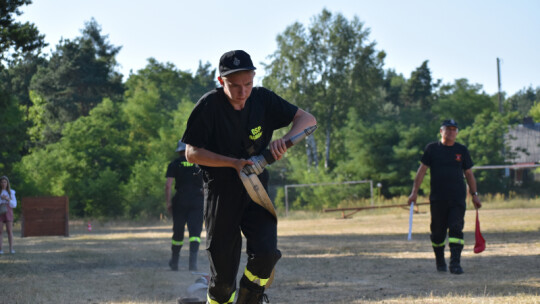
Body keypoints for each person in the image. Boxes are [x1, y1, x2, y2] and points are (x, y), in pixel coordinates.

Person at [182, 50, 316, 304]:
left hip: (256, 189)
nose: (243, 92)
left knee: (266, 255)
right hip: (221, 193)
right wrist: (232, 163)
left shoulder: (263, 99)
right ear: (221, 82)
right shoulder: (209, 106)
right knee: (222, 281)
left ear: (254, 78)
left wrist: (284, 142)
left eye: (248, 84)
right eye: (234, 86)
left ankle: (251, 299)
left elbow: (307, 120)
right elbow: (192, 153)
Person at [407, 119, 482, 274]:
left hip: (457, 198)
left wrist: (474, 195)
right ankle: (440, 260)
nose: (451, 132)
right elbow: (421, 171)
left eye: (454, 129)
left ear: (457, 133)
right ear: (441, 131)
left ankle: (455, 263)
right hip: (438, 198)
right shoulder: (432, 149)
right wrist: (414, 192)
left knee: (456, 229)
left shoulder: (462, 150)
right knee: (437, 232)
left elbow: (469, 174)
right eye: (448, 129)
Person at [165, 140, 204, 271]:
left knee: (178, 231)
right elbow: (208, 184)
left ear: (179, 151)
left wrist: (169, 202)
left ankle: (174, 262)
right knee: (195, 233)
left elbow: (168, 185)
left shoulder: (174, 164)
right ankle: (193, 264)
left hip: (180, 200)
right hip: (197, 200)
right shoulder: (200, 164)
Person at [0, 176, 17, 254]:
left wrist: (7, 199)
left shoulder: (11, 192)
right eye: (2, 182)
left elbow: (14, 204)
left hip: (8, 211)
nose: (3, 183)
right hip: (0, 211)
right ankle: (1, 249)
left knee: (9, 231)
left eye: (5, 182)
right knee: (0, 231)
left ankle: (11, 249)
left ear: (7, 183)